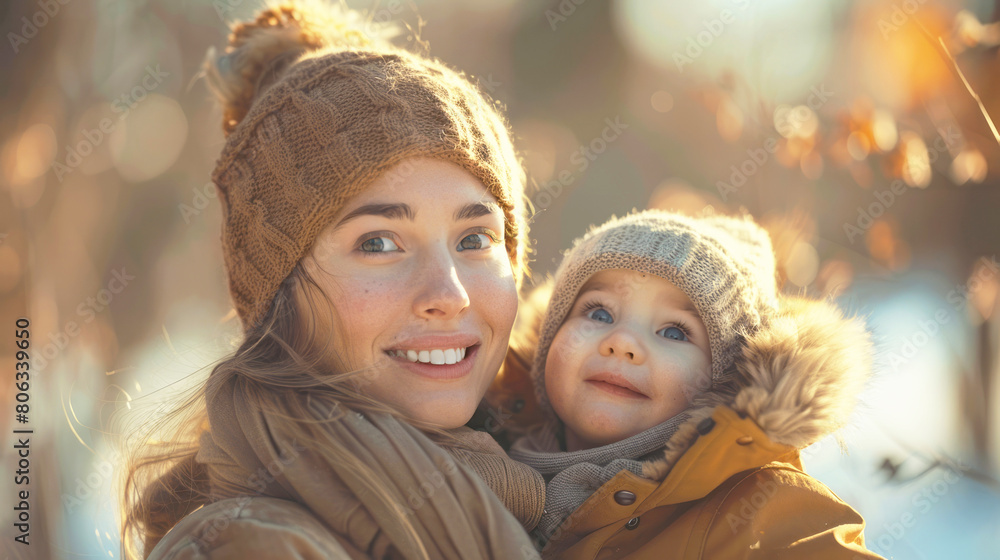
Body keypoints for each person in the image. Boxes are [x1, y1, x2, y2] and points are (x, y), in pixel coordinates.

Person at [118, 1, 546, 558]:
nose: (449, 294)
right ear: (279, 294)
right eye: (378, 244)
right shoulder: (258, 547)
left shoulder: (551, 496)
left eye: (475, 240)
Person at [497, 209, 885, 559]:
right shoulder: (480, 444)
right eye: (599, 312)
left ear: (724, 378)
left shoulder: (759, 512)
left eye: (674, 332)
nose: (622, 343)